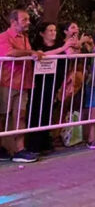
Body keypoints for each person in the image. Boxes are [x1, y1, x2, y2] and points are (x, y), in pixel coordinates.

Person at [0, 10, 44, 163]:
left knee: (20, 115)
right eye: (24, 20)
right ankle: (3, 147)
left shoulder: (25, 37)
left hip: (23, 82)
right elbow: (9, 53)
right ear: (14, 22)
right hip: (7, 82)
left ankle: (20, 149)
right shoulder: (4, 37)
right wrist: (31, 52)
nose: (28, 22)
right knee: (3, 116)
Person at [27, 22, 72, 153]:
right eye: (50, 30)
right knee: (36, 111)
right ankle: (34, 143)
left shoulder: (59, 45)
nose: (53, 33)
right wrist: (63, 47)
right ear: (42, 33)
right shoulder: (37, 45)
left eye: (54, 30)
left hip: (54, 82)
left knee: (48, 110)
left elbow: (67, 55)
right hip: (39, 83)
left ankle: (45, 141)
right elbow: (41, 54)